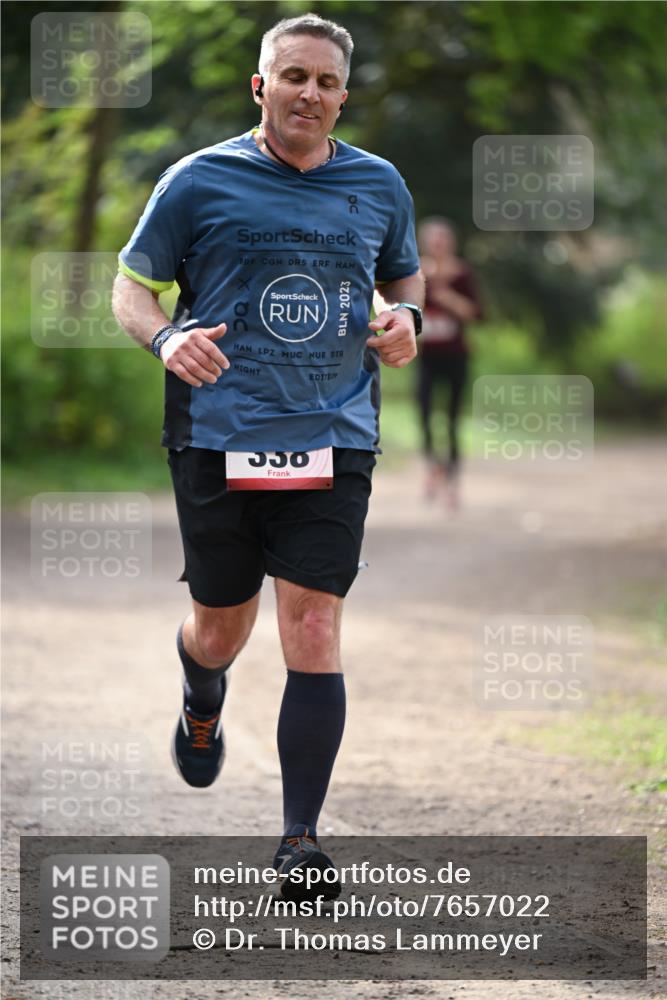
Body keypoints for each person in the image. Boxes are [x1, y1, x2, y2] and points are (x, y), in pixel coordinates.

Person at [112, 12, 423, 899]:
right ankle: (201, 690)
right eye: (294, 77)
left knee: (314, 627)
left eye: (326, 83)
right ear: (261, 86)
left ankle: (299, 841)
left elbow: (403, 276)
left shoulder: (377, 183)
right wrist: (167, 339)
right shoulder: (197, 180)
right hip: (218, 434)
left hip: (334, 433)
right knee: (222, 626)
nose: (310, 95)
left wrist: (405, 318)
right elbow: (131, 286)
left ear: (342, 97)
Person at [416, 217, 482, 507]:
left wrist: (448, 299)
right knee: (425, 413)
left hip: (456, 357)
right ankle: (433, 466)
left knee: (453, 419)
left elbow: (476, 314)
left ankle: (454, 480)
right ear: (425, 243)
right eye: (433, 239)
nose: (438, 244)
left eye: (443, 239)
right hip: (426, 357)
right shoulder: (415, 272)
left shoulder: (462, 273)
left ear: (451, 243)